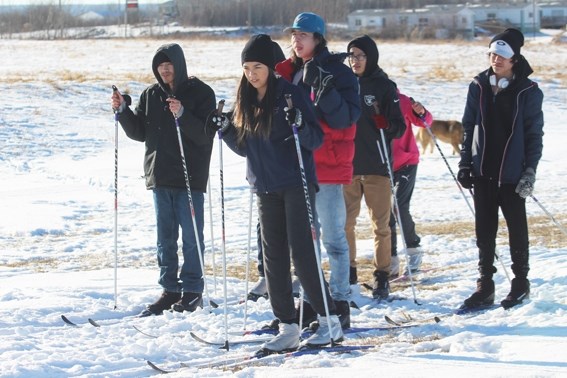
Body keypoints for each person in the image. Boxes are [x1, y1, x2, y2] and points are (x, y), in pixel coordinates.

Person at [207, 34, 343, 352]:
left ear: (270, 67)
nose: (251, 73)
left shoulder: (291, 95)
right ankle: (287, 326)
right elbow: (244, 147)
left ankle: (329, 321)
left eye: (257, 66)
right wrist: (225, 129)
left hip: (296, 184)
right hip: (265, 187)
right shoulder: (246, 101)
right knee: (273, 260)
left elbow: (314, 140)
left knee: (302, 255)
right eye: (246, 67)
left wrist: (300, 123)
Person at [110, 43, 216, 316]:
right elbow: (139, 132)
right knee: (164, 239)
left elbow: (206, 135)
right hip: (159, 176)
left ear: (179, 65)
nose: (165, 70)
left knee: (191, 238)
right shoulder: (151, 94)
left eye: (169, 65)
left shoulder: (201, 93)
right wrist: (123, 112)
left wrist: (183, 114)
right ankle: (170, 290)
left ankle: (193, 291)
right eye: (160, 65)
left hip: (190, 178)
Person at [275, 12, 360, 329]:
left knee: (334, 239)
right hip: (293, 169)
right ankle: (312, 302)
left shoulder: (338, 72)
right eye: (294, 35)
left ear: (318, 39)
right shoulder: (286, 73)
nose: (296, 40)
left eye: (303, 35)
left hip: (326, 168)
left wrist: (325, 91)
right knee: (304, 241)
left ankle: (339, 301)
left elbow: (344, 120)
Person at [457, 28, 544, 310]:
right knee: (485, 229)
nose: (496, 59)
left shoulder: (529, 91)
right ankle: (486, 284)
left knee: (517, 227)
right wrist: (465, 162)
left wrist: (530, 170)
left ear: (515, 59)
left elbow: (534, 134)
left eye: (503, 56)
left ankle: (520, 282)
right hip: (483, 170)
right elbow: (468, 126)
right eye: (493, 54)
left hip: (512, 173)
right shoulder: (478, 85)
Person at [344, 35, 406, 299]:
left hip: (377, 167)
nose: (355, 61)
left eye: (360, 56)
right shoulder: (344, 83)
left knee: (381, 225)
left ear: (371, 57)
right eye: (351, 56)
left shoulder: (383, 85)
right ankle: (348, 273)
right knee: (345, 224)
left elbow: (399, 125)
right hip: (348, 165)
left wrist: (386, 124)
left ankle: (382, 276)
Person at [389, 94, 433, 278]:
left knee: (398, 206)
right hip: (380, 164)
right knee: (383, 212)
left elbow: (424, 122)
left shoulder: (401, 100)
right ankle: (389, 259)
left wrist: (421, 112)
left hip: (406, 162)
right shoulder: (365, 99)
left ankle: (413, 251)